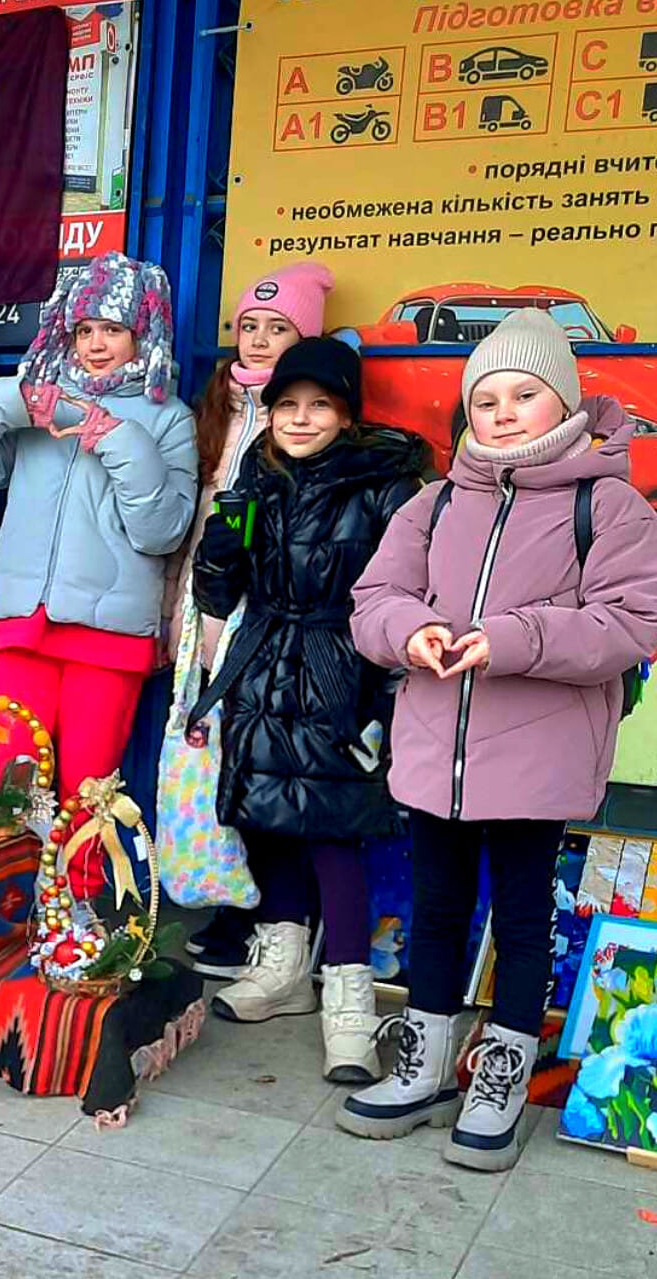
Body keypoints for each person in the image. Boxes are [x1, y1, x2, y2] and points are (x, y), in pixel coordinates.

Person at [345, 308, 657, 1170]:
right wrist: (409, 631)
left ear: (564, 403)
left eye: (526, 394)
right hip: (434, 753)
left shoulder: (611, 504)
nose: (505, 412)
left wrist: (514, 637)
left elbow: (631, 624)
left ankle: (501, 1081)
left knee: (521, 921)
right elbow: (374, 599)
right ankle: (422, 1066)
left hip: (540, 754)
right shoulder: (434, 501)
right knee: (437, 913)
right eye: (487, 399)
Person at [189, 338, 426, 1083]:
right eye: (287, 404)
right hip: (263, 659)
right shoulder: (255, 472)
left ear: (347, 411)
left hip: (339, 665)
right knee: (266, 818)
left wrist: (383, 686)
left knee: (334, 834)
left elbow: (407, 587)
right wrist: (221, 550)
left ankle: (350, 1000)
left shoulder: (388, 481)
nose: (300, 418)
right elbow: (216, 596)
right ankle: (282, 964)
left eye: (319, 404)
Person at [0, 252, 198, 798]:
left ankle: (80, 887)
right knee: (11, 786)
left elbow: (162, 531)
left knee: (87, 795)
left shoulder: (171, 417)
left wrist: (120, 440)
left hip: (108, 640)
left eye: (113, 329)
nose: (96, 344)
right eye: (84, 329)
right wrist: (12, 398)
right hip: (23, 624)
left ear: (142, 333)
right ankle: (6, 885)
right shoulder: (37, 407)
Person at [175, 262, 335, 979]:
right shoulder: (216, 410)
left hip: (269, 621)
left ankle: (269, 919)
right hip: (204, 610)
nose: (261, 339)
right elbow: (196, 529)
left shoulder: (302, 419)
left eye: (280, 328)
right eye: (250, 326)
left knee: (265, 766)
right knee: (211, 767)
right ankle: (229, 901)